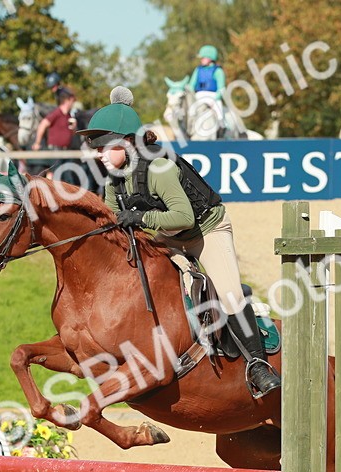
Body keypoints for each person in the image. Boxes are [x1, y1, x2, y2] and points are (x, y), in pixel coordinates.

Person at [77, 87, 280, 399]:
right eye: (96, 148)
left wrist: (142, 220)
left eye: (104, 146)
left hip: (205, 233)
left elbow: (183, 218)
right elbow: (115, 223)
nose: (99, 153)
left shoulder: (159, 168)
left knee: (228, 295)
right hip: (166, 239)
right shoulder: (113, 181)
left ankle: (258, 365)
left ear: (128, 141)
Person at [32, 88, 78, 181]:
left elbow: (72, 134)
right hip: (56, 150)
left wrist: (74, 128)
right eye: (72, 101)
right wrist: (37, 142)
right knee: (56, 176)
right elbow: (43, 125)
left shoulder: (69, 116)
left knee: (68, 178)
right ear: (67, 100)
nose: (73, 103)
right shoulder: (56, 113)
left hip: (66, 151)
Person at [188, 45, 228, 137]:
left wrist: (215, 99)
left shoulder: (218, 71)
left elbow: (221, 88)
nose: (201, 59)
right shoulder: (198, 70)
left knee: (219, 111)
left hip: (213, 97)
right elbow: (191, 85)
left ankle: (222, 127)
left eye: (203, 58)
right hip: (199, 96)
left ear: (210, 58)